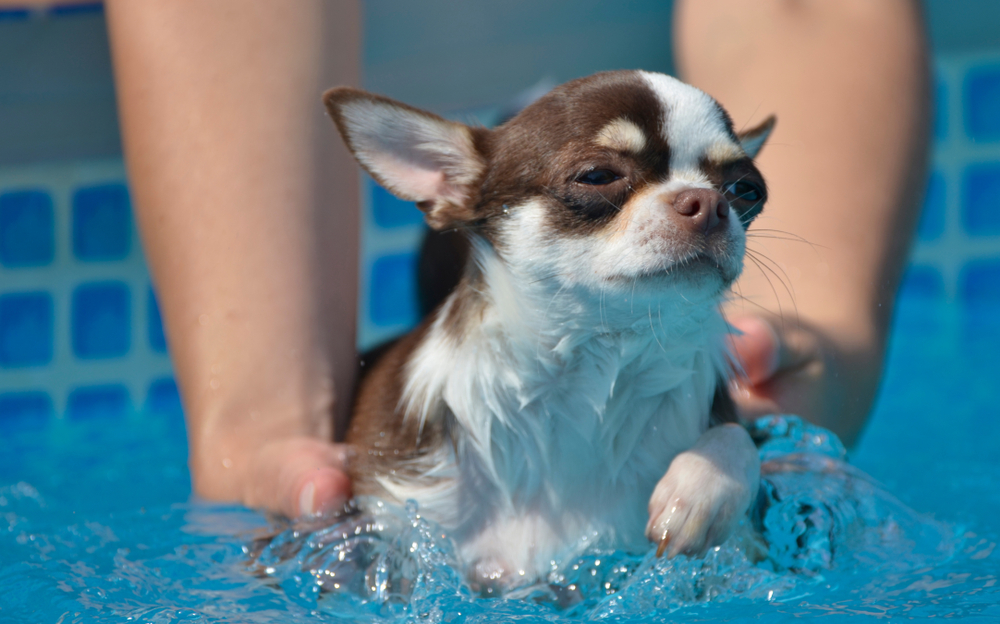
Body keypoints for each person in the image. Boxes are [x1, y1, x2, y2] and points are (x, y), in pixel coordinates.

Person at [103, 0, 930, 520]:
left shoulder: (711, 437)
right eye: (602, 179)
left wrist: (823, 329)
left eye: (736, 192)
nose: (702, 206)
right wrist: (260, 423)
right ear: (439, 181)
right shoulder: (401, 468)